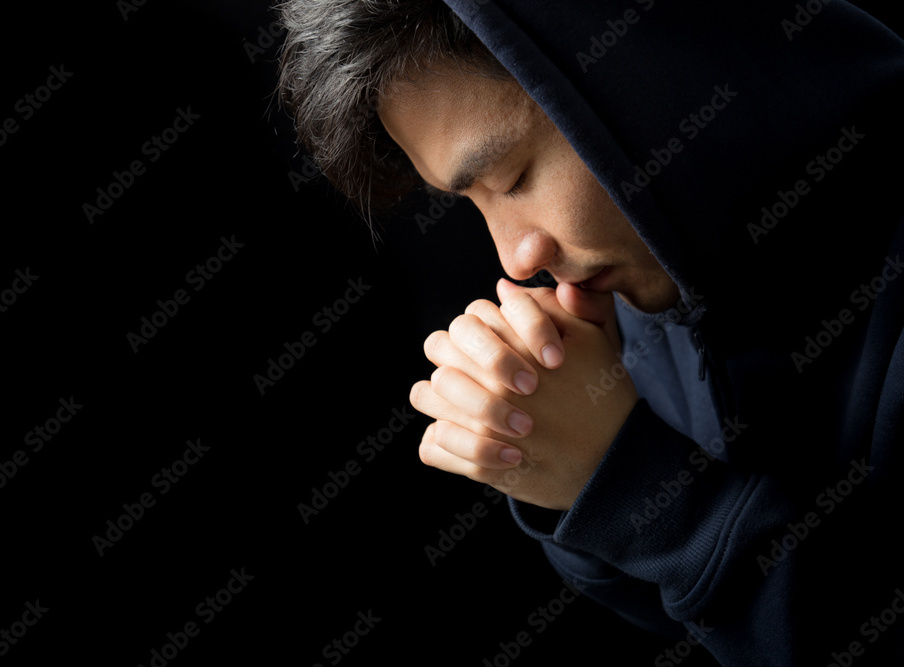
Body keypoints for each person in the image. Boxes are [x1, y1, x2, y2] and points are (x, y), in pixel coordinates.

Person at [277, 0, 904, 663]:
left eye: (512, 178)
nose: (515, 259)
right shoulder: (649, 308)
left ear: (648, 74)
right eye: (471, 202)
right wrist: (579, 480)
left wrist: (641, 488)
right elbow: (704, 633)